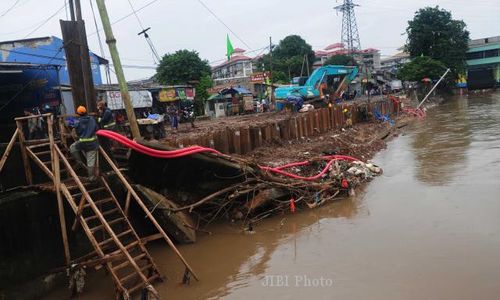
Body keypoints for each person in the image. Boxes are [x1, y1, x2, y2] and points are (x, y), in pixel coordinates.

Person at [70, 106, 99, 181]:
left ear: (78, 114)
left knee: (72, 148)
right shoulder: (92, 119)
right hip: (93, 144)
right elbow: (97, 129)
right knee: (90, 161)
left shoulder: (77, 121)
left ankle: (79, 162)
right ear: (86, 112)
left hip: (82, 143)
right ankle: (91, 177)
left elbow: (76, 132)